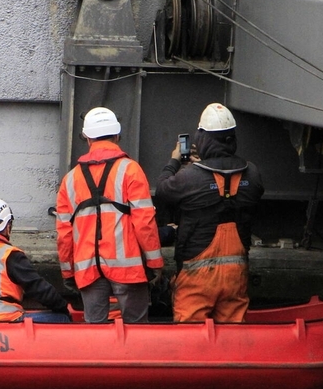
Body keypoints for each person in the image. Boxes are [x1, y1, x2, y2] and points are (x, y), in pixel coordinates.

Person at [155, 103, 264, 323]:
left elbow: (163, 190)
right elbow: (246, 191)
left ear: (203, 138)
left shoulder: (190, 177)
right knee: (233, 336)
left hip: (197, 276)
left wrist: (175, 160)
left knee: (191, 337)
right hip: (236, 274)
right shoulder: (252, 173)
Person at [56, 106, 163, 323]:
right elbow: (144, 223)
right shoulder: (131, 170)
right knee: (137, 332)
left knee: (95, 336)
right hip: (128, 269)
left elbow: (64, 235)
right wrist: (155, 263)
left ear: (87, 139)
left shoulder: (70, 180)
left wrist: (68, 271)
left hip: (88, 269)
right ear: (117, 136)